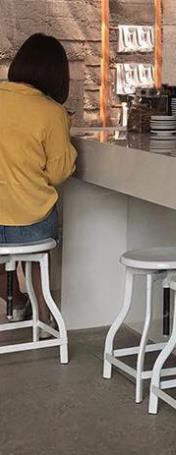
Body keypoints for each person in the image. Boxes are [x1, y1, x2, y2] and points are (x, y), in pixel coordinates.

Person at [0, 33, 76, 323]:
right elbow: (59, 173)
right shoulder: (51, 112)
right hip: (30, 222)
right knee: (36, 255)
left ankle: (18, 302)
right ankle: (43, 317)